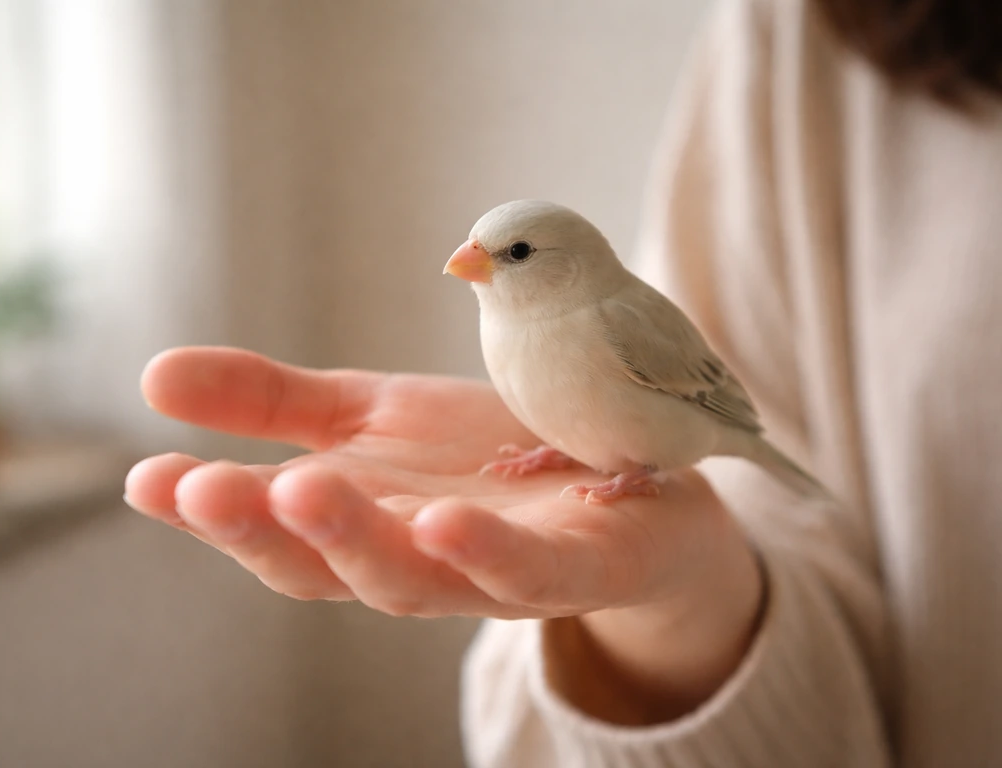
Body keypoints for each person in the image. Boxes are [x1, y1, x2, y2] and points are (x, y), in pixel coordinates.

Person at [124, 0, 1002, 764]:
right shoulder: (801, 39)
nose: (473, 263)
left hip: (708, 431)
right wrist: (678, 602)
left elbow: (713, 412)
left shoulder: (618, 322)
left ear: (562, 266)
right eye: (483, 247)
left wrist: (641, 479)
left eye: (510, 256)